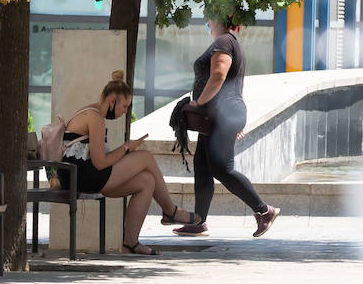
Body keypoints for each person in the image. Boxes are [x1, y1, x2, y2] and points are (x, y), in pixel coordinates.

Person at [58, 70, 202, 255]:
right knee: (145, 157)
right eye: (124, 106)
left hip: (82, 174)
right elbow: (101, 163)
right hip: (83, 176)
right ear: (112, 101)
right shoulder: (94, 118)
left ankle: (130, 243)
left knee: (146, 181)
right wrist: (126, 148)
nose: (125, 111)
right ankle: (170, 211)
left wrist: (127, 149)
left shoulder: (91, 113)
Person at [173, 14, 280, 238]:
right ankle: (199, 221)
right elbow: (236, 83)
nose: (206, 20)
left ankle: (264, 211)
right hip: (218, 115)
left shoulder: (223, 42)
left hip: (219, 114)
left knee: (222, 168)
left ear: (217, 19)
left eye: (208, 16)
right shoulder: (229, 43)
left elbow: (219, 75)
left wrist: (198, 102)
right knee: (202, 166)